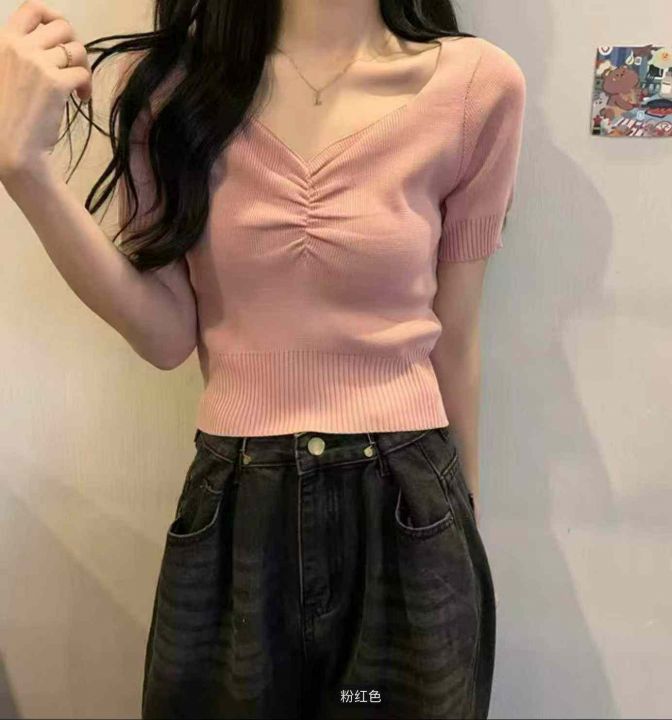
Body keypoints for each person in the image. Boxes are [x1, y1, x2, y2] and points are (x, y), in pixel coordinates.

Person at [0, 0, 526, 717]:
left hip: (408, 510)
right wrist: (25, 171)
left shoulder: (476, 87)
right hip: (237, 512)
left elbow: (455, 337)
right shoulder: (169, 90)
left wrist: (459, 534)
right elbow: (166, 336)